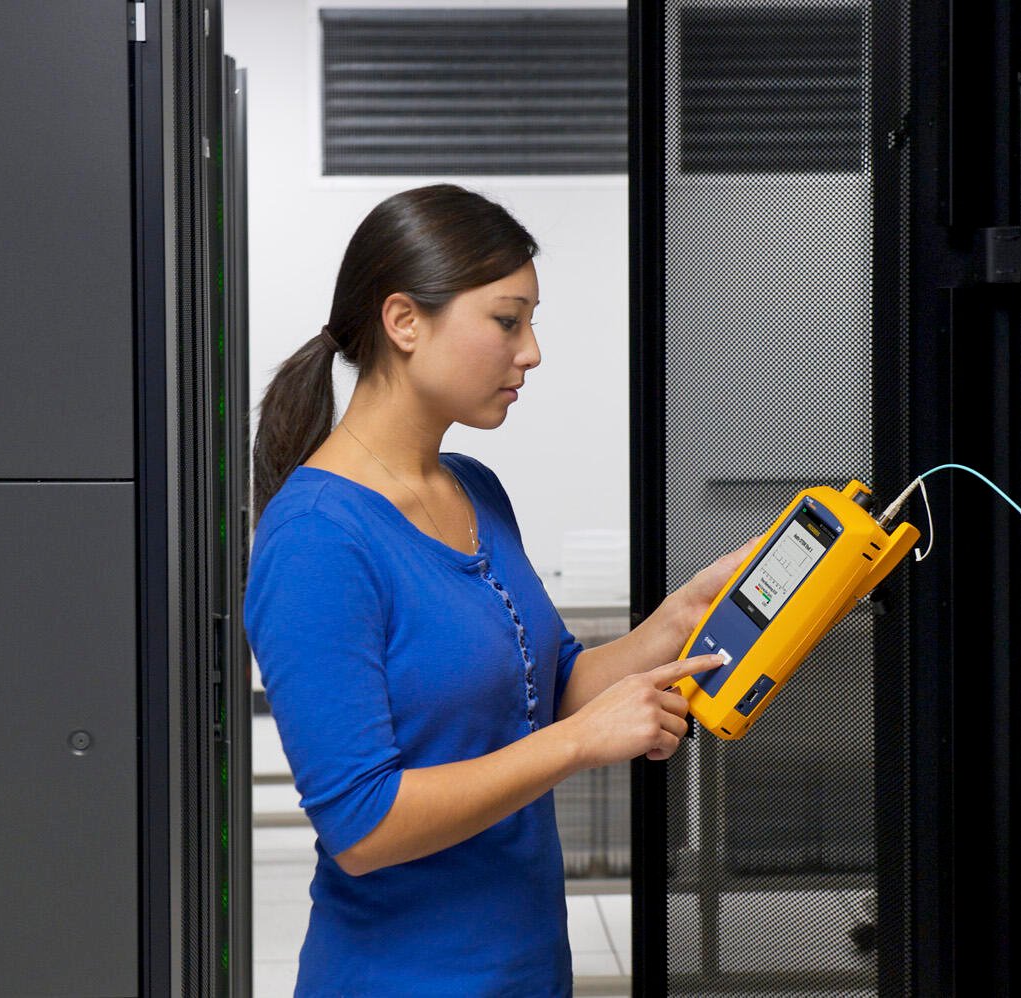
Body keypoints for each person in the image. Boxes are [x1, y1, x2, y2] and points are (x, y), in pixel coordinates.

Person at [244, 184, 751, 996]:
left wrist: (682, 613)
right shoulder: (317, 538)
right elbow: (362, 824)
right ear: (404, 321)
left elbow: (545, 690)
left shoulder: (475, 489)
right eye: (507, 320)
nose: (532, 352)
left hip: (525, 968)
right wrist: (583, 744)